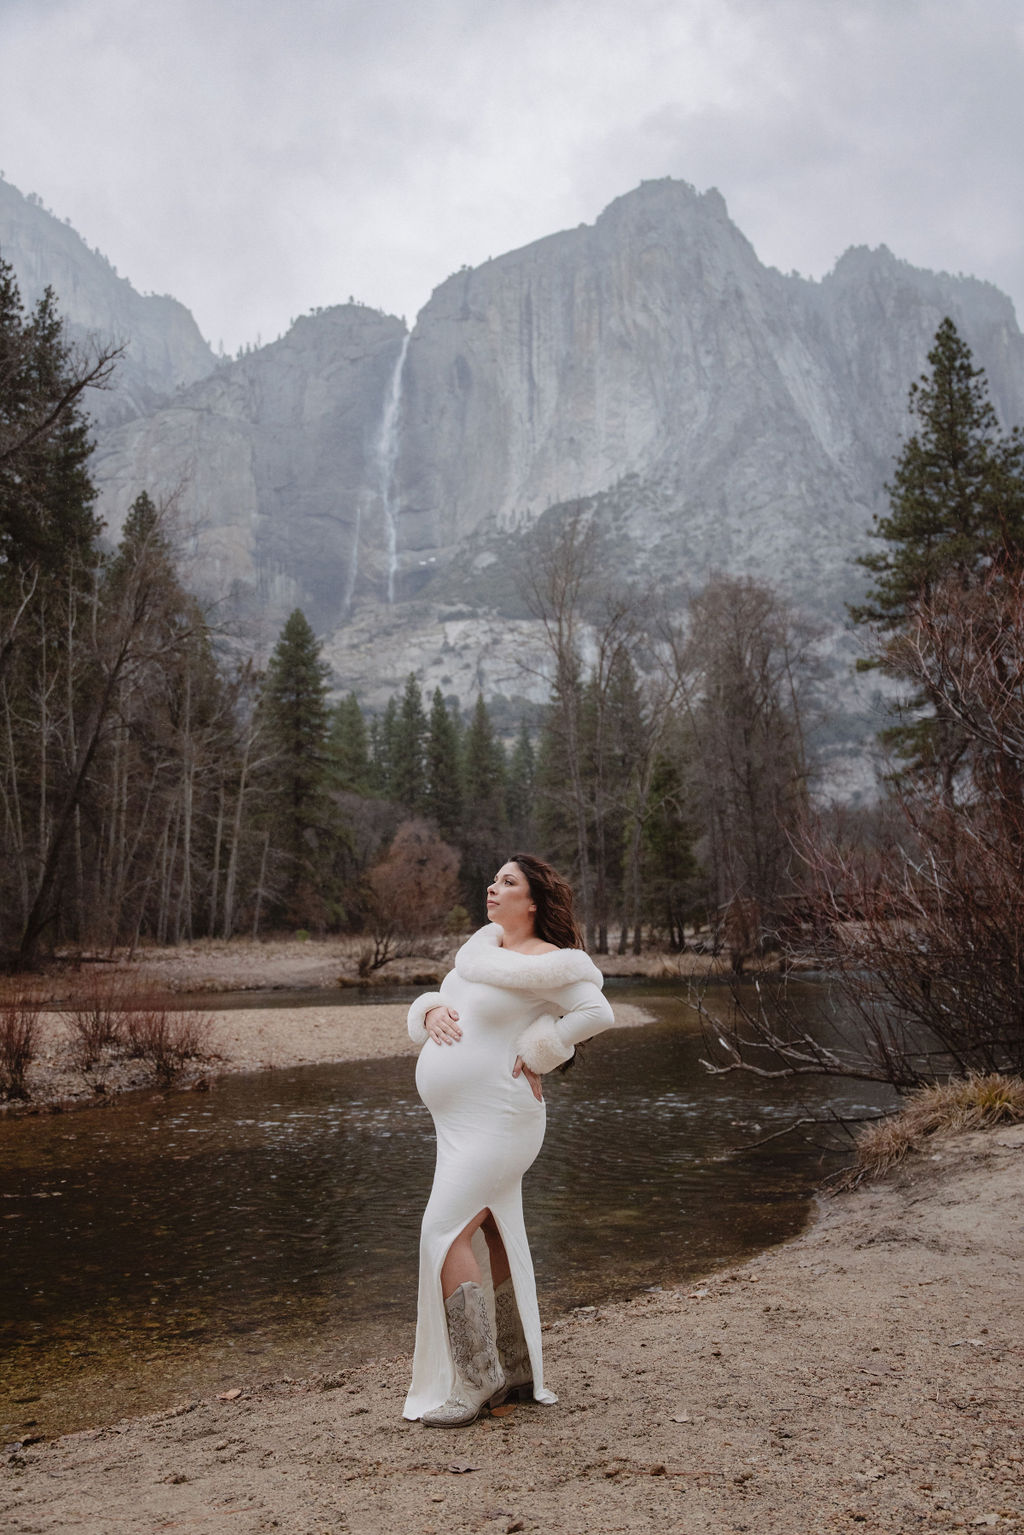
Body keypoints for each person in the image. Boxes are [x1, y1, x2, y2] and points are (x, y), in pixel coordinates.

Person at [402, 853, 614, 1427]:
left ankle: (475, 1380)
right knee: (492, 1227)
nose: (492, 888)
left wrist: (542, 1046)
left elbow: (597, 1012)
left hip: (500, 1118)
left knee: (443, 1234)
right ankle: (515, 1369)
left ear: (533, 902)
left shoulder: (550, 964)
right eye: (493, 879)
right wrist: (429, 1013)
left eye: (507, 882)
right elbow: (449, 999)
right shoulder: (479, 952)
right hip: (457, 1123)